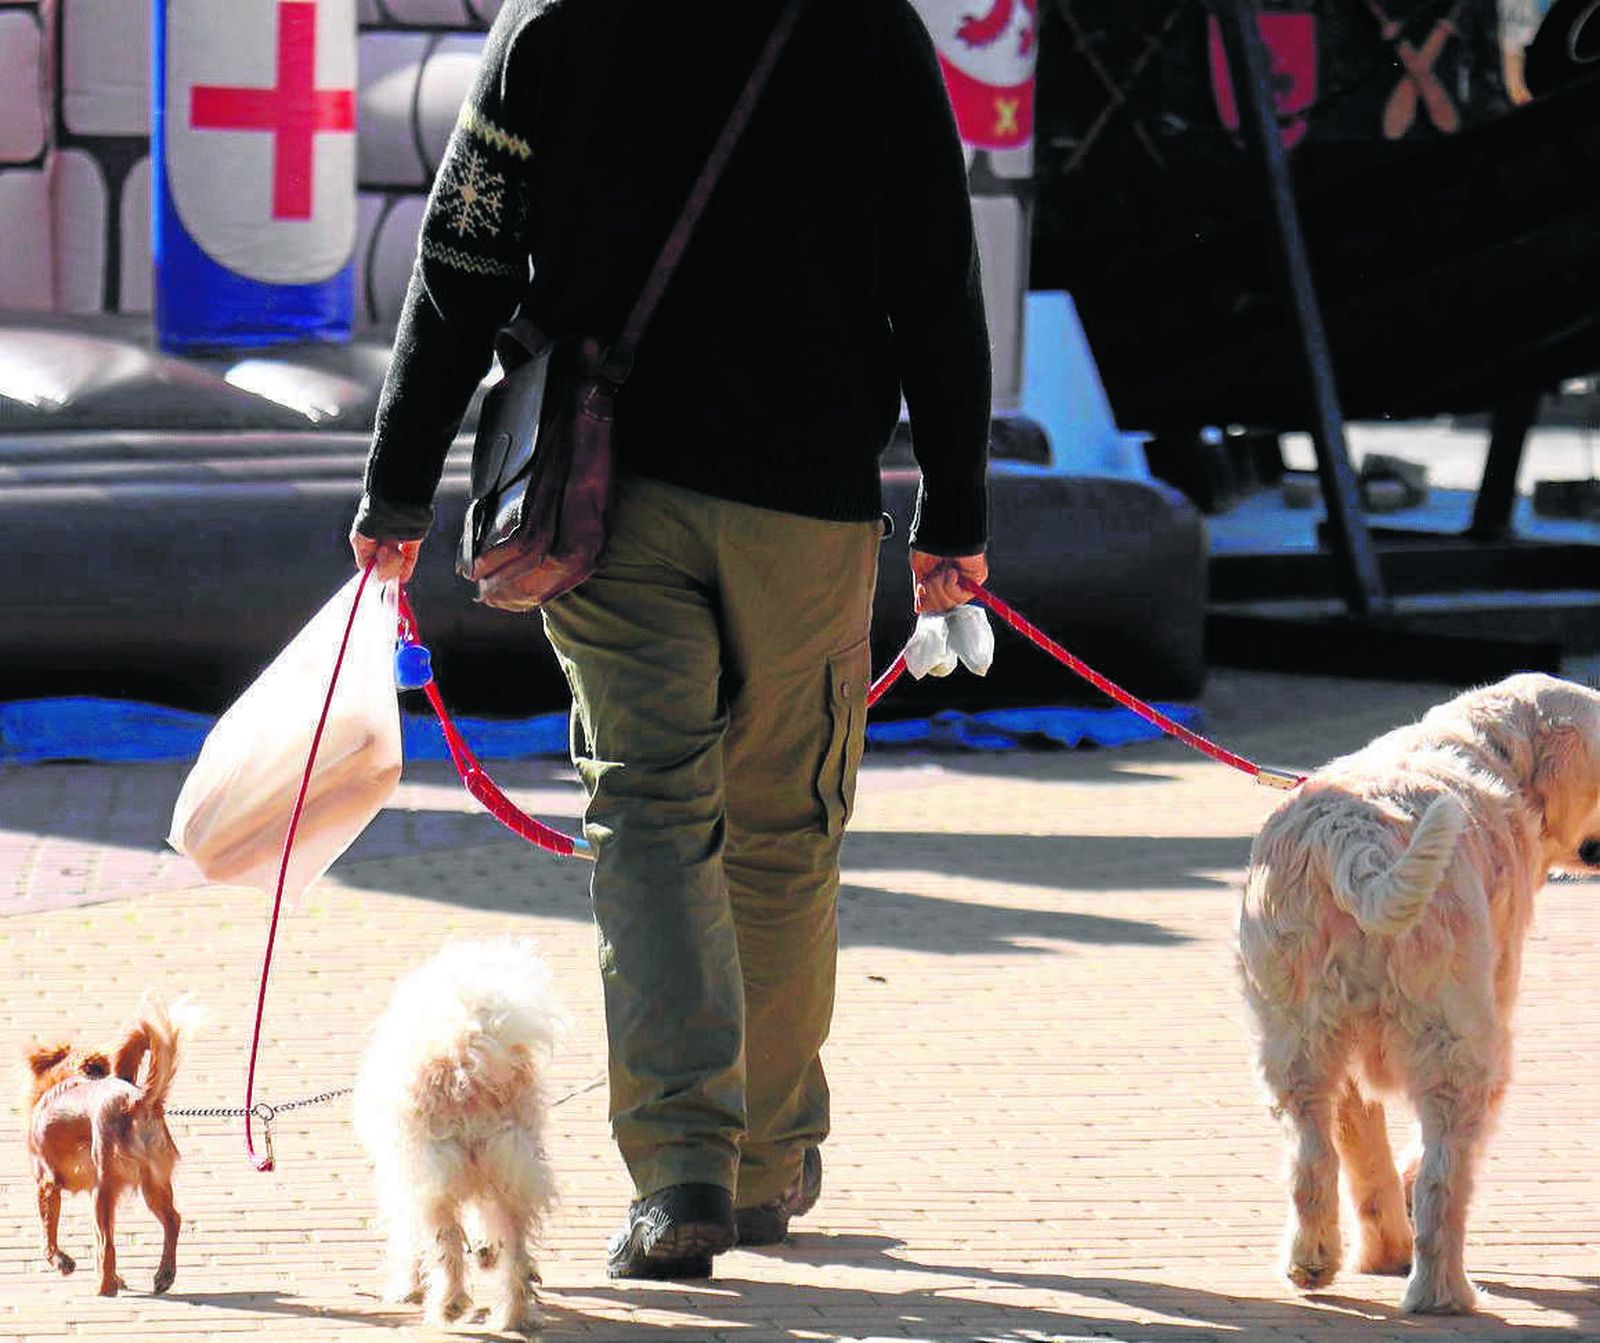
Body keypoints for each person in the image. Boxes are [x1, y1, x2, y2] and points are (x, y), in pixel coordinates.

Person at [350, 0, 991, 1279]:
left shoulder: (551, 22)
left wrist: (399, 489)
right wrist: (954, 516)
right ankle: (763, 1159)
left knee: (649, 812)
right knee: (785, 822)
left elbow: (463, 259)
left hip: (602, 496)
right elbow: (936, 279)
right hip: (808, 502)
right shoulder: (870, 27)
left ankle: (681, 1169)